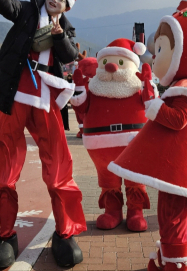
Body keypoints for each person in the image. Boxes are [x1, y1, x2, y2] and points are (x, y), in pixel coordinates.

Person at [0, 0, 85, 269]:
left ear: (66, 7)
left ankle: (65, 233)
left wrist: (58, 36)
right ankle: (5, 234)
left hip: (44, 99)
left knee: (58, 169)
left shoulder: (64, 27)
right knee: (3, 167)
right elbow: (4, 4)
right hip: (14, 95)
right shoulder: (27, 10)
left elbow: (68, 56)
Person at [108, 0, 187, 271]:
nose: (156, 57)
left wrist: (154, 107)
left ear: (184, 51)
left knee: (172, 220)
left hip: (179, 172)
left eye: (161, 50)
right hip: (177, 170)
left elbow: (179, 119)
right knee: (177, 219)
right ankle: (175, 260)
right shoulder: (182, 83)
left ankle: (176, 264)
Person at [70, 38, 152, 232]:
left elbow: (151, 106)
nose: (112, 67)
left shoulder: (137, 86)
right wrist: (80, 87)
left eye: (121, 62)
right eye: (105, 63)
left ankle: (136, 211)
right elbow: (80, 107)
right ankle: (112, 211)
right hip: (101, 147)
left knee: (134, 178)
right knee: (108, 181)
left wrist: (148, 84)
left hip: (134, 144)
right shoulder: (94, 88)